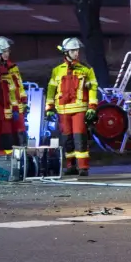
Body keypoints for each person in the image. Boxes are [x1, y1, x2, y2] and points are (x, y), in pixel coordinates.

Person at [46, 37, 99, 176]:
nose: (76, 53)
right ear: (66, 52)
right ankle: (70, 166)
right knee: (67, 139)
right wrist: (49, 107)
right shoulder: (57, 70)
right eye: (73, 51)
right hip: (63, 111)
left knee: (79, 138)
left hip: (80, 110)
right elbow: (51, 89)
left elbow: (93, 88)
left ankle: (83, 167)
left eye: (77, 50)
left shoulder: (86, 69)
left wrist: (92, 107)